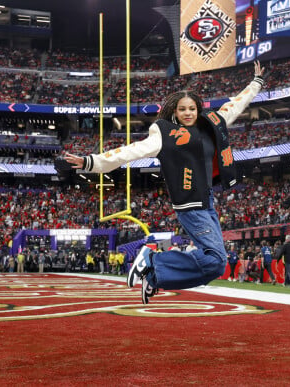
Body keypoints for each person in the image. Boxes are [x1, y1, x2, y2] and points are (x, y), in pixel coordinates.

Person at [63, 61, 266, 304]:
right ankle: (153, 261)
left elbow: (235, 105)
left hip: (207, 202)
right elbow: (129, 152)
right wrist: (91, 162)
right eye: (182, 109)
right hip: (190, 205)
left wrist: (256, 83)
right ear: (174, 112)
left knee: (215, 263)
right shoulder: (164, 133)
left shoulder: (210, 124)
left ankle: (155, 277)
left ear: (198, 109)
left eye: (192, 108)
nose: (188, 113)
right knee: (215, 261)